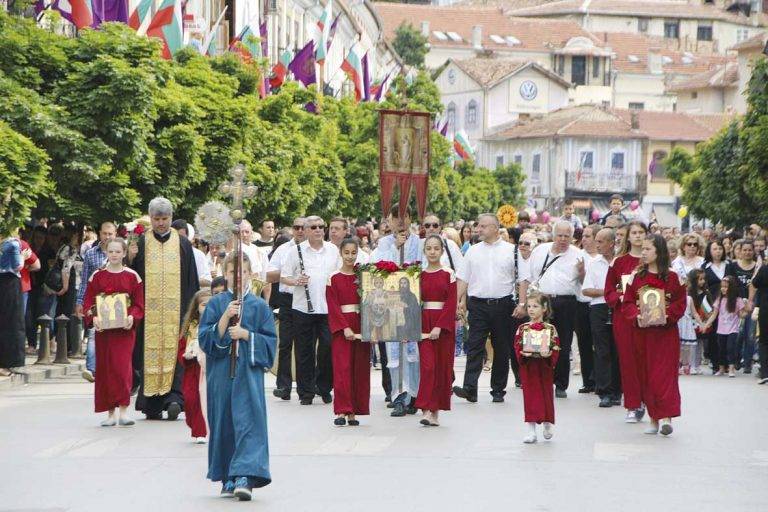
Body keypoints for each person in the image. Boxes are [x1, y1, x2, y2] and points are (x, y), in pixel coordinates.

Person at [199, 251, 276, 501]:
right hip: (221, 373)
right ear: (226, 274)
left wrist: (246, 335)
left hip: (247, 373)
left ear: (250, 273)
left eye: (243, 271)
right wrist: (224, 319)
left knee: (248, 420)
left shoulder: (259, 306)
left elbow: (270, 345)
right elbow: (205, 340)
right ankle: (227, 475)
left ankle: (246, 475)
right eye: (233, 272)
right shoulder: (216, 303)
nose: (238, 277)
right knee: (224, 420)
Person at [129, 197, 200, 420]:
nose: (161, 223)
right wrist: (130, 259)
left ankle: (175, 399)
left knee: (176, 354)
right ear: (150, 218)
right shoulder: (140, 243)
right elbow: (133, 278)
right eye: (157, 219)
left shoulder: (182, 244)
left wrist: (193, 312)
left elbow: (191, 280)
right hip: (149, 314)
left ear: (171, 217)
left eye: (165, 218)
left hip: (176, 312)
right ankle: (151, 402)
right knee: (148, 354)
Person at [454, 213, 529, 403]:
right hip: (477, 305)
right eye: (478, 226)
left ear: (495, 228)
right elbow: (463, 278)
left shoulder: (512, 251)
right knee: (474, 346)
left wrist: (522, 304)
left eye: (483, 226)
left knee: (502, 348)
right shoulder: (472, 251)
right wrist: (456, 302)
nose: (479, 229)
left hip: (503, 305)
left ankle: (498, 389)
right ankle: (470, 388)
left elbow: (523, 279)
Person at [622, 234, 686, 436]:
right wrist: (636, 316)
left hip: (665, 335)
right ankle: (653, 418)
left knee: (664, 375)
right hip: (643, 334)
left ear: (659, 252)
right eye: (643, 249)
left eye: (648, 249)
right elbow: (628, 302)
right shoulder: (637, 277)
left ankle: (666, 417)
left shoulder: (674, 277)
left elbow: (680, 303)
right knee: (646, 374)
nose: (644, 253)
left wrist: (666, 315)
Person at [82, 238, 144, 427]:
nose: (114, 255)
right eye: (111, 252)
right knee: (105, 370)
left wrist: (132, 317)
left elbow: (139, 304)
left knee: (122, 368)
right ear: (106, 253)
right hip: (104, 333)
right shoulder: (97, 276)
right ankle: (110, 412)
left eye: (118, 251)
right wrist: (94, 318)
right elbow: (88, 303)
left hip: (124, 333)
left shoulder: (133, 277)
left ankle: (124, 409)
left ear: (124, 253)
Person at [280, 216, 340, 405]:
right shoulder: (295, 251)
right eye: (313, 227)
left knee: (327, 348)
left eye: (321, 227)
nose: (318, 230)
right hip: (302, 308)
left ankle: (324, 387)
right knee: (304, 351)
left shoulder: (332, 250)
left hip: (326, 307)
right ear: (305, 230)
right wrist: (296, 281)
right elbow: (284, 277)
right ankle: (305, 391)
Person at [370, 206, 420, 415]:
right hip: (391, 306)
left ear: (410, 219)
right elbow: (373, 268)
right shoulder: (383, 244)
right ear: (388, 220)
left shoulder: (420, 242)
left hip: (413, 306)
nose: (400, 221)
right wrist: (394, 249)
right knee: (394, 353)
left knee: (413, 353)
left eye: (405, 216)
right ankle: (398, 396)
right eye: (395, 217)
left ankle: (414, 396)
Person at [527, 220, 582, 398]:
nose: (563, 239)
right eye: (560, 235)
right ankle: (541, 380)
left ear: (572, 237)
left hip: (567, 302)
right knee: (540, 340)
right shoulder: (540, 251)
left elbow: (583, 283)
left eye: (567, 236)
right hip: (544, 300)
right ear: (553, 235)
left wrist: (582, 273)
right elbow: (532, 277)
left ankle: (560, 384)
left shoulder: (577, 255)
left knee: (563, 344)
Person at [604, 220, 648, 422]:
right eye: (634, 233)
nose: (638, 236)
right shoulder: (619, 262)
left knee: (647, 362)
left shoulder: (654, 261)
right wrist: (620, 298)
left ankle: (650, 400)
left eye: (641, 232)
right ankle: (633, 404)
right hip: (624, 319)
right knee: (628, 361)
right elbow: (609, 292)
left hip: (650, 318)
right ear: (628, 237)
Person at [326, 238, 370, 426]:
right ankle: (342, 410)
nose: (350, 257)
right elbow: (333, 306)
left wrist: (372, 327)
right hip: (342, 328)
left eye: (353, 253)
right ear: (341, 253)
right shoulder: (333, 278)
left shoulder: (363, 277)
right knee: (342, 369)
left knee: (359, 369)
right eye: (347, 253)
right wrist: (344, 327)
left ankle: (355, 411)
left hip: (361, 325)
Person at [416, 235, 457, 427]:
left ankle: (435, 411)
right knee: (428, 367)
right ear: (424, 251)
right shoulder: (418, 275)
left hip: (443, 326)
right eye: (429, 248)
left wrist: (440, 326)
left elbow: (450, 303)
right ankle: (425, 408)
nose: (432, 252)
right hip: (424, 324)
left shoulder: (449, 274)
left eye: (436, 248)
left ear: (441, 251)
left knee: (441, 368)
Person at [266, 218, 305, 400]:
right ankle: (283, 385)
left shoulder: (318, 250)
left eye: (303, 227)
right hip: (288, 298)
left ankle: (307, 385)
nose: (300, 231)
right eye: (296, 227)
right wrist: (289, 274)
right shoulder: (282, 250)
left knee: (307, 343)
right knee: (285, 343)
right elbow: (269, 274)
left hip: (307, 299)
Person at [582, 228, 622, 407]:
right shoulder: (593, 263)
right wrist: (608, 292)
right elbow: (586, 289)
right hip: (598, 308)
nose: (596, 245)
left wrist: (612, 293)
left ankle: (617, 390)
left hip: (618, 306)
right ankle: (604, 391)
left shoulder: (620, 262)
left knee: (618, 349)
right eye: (596, 241)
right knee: (601, 350)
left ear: (611, 243)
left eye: (600, 242)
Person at [514, 293, 560, 444]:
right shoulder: (522, 328)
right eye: (529, 306)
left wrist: (549, 355)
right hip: (529, 368)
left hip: (544, 369)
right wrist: (522, 353)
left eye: (535, 306)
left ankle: (547, 423)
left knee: (546, 394)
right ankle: (531, 430)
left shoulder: (550, 328)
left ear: (544, 308)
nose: (531, 309)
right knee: (530, 397)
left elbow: (556, 347)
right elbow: (517, 345)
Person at [76, 221, 117, 383]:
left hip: (116, 300)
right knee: (93, 333)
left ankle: (111, 368)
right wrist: (80, 301)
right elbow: (85, 281)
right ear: (100, 234)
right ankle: (92, 369)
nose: (107, 237)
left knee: (114, 336)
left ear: (115, 235)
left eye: (110, 234)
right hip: (96, 301)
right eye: (105, 233)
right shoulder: (91, 254)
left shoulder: (120, 252)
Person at [178, 289, 212, 443]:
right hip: (192, 369)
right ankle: (195, 424)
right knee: (190, 399)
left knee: (204, 399)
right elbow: (181, 347)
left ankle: (202, 431)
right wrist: (185, 355)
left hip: (208, 368)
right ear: (197, 307)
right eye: (204, 304)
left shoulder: (217, 323)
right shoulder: (190, 327)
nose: (207, 308)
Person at [726, 239, 757, 373]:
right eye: (744, 249)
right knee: (737, 334)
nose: (747, 252)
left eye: (750, 250)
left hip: (753, 303)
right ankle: (736, 359)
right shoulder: (732, 266)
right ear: (740, 251)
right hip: (736, 303)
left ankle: (748, 362)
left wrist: (750, 301)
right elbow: (728, 284)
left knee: (750, 334)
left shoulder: (758, 266)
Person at [574, 224, 597, 393]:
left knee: (600, 345)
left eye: (588, 236)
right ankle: (587, 381)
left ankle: (601, 379)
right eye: (584, 236)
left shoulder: (605, 257)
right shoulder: (578, 255)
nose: (584, 239)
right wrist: (580, 273)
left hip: (599, 304)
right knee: (584, 344)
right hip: (582, 304)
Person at [710, 276, 747, 377]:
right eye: (722, 286)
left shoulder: (737, 300)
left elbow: (741, 315)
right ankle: (721, 368)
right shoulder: (719, 299)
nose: (723, 289)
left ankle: (731, 369)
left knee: (730, 348)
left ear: (732, 288)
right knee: (721, 349)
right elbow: (714, 314)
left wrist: (747, 310)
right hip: (721, 329)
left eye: (726, 287)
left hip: (733, 329)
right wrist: (706, 324)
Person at [0, 231, 26, 376]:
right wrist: (23, 257)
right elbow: (17, 265)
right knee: (13, 323)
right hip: (11, 283)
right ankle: (8, 362)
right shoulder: (13, 243)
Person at [685, 269, 713, 376]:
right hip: (691, 320)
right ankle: (691, 365)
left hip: (702, 321)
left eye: (703, 279)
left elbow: (709, 308)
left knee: (700, 343)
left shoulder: (706, 293)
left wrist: (706, 321)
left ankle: (697, 365)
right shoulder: (689, 293)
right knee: (692, 344)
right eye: (700, 279)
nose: (702, 281)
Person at [172, 220, 213, 288]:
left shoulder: (198, 255)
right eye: (176, 238)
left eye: (182, 238)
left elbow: (208, 281)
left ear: (187, 237)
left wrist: (189, 280)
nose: (179, 241)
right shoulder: (166, 254)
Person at [238, 220, 270, 302]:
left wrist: (266, 302)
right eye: (241, 232)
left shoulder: (260, 251)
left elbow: (266, 279)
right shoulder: (233, 251)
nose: (244, 235)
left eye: (247, 232)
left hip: (256, 293)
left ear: (251, 233)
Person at [749, 263, 768, 384]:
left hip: (765, 308)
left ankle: (765, 372)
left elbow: (754, 282)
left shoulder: (765, 269)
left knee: (764, 341)